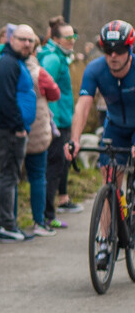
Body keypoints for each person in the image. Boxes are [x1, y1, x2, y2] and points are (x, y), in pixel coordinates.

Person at [65, 21, 135, 271]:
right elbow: (83, 105)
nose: (113, 56)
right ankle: (105, 240)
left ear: (130, 48)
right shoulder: (95, 69)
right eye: (107, 50)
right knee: (110, 180)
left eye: (118, 50)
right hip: (115, 126)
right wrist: (74, 139)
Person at [0, 24, 38, 242]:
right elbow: (7, 101)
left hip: (10, 128)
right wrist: (18, 128)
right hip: (8, 129)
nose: (26, 44)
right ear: (11, 39)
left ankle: (0, 224)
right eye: (22, 39)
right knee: (9, 177)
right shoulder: (8, 63)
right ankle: (7, 225)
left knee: (6, 176)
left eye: (30, 41)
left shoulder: (15, 61)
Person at [38, 16, 79, 223]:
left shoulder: (61, 56)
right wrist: (51, 120)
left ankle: (48, 213)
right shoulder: (53, 59)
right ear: (55, 38)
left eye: (74, 35)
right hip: (56, 122)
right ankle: (47, 215)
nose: (72, 40)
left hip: (63, 120)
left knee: (58, 166)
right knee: (54, 167)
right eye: (67, 36)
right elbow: (45, 88)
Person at [22, 41, 61, 236]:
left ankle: (8, 223)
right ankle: (39, 220)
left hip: (13, 128)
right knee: (38, 176)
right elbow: (55, 93)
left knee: (10, 178)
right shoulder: (39, 73)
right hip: (37, 129)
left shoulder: (9, 66)